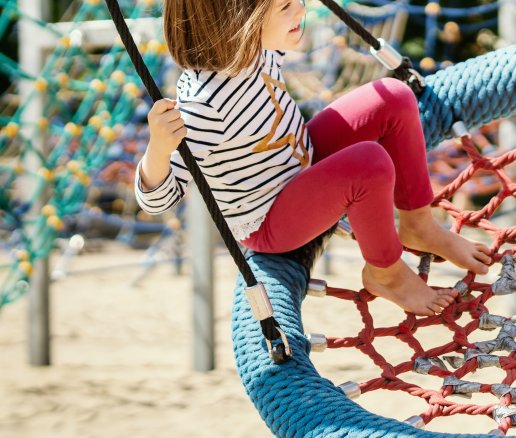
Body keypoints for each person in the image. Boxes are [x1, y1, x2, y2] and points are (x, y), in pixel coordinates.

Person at [135, 0, 492, 316]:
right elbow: (157, 199)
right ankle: (384, 273)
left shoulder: (257, 47)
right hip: (270, 220)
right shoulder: (204, 108)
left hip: (300, 160)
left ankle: (418, 226)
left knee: (394, 96)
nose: (301, 12)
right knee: (368, 163)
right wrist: (159, 148)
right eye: (286, 7)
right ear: (237, 23)